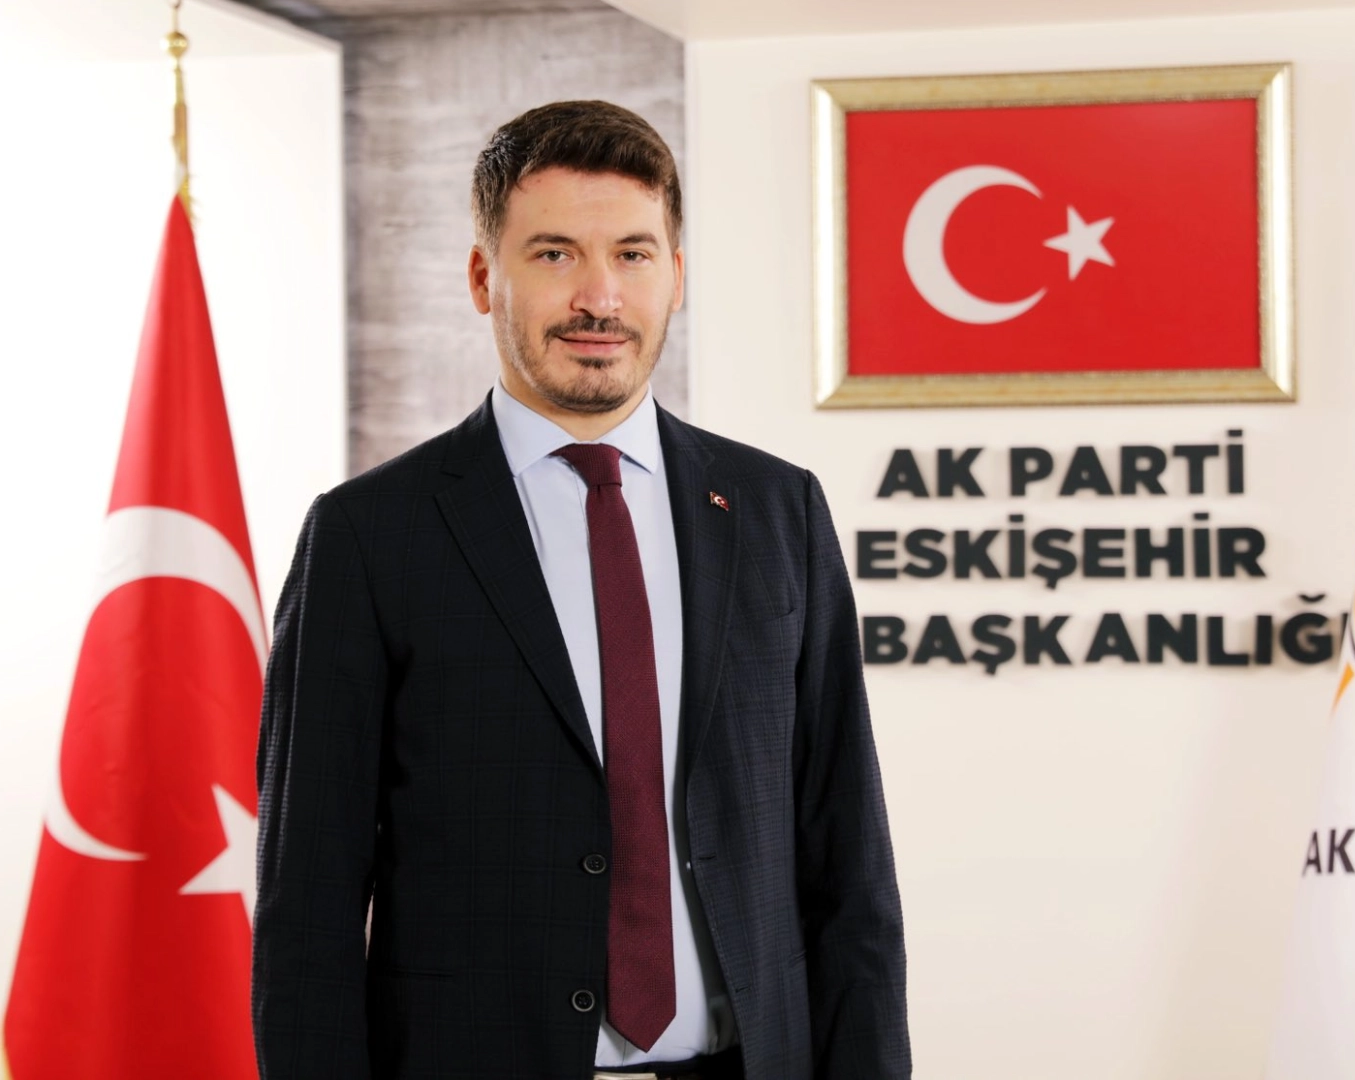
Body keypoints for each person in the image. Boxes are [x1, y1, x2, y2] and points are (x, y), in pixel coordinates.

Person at [251, 100, 909, 1080]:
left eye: (633, 255)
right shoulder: (367, 536)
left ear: (675, 274)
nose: (600, 297)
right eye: (554, 254)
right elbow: (307, 903)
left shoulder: (779, 511)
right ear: (484, 277)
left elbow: (848, 861)